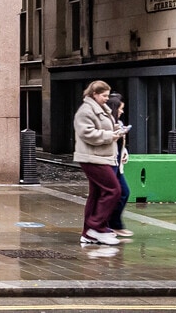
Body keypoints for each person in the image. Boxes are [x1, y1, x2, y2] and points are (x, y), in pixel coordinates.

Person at [72, 80, 129, 246]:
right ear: (94, 94)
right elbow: (86, 133)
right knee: (113, 190)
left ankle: (88, 233)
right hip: (92, 157)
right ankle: (97, 228)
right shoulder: (85, 111)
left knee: (97, 193)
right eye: (104, 95)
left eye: (107, 95)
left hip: (100, 156)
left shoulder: (100, 108)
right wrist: (110, 136)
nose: (106, 98)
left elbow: (102, 129)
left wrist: (116, 131)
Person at [104, 92, 134, 239]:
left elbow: (120, 144)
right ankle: (106, 226)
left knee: (123, 192)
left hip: (116, 161)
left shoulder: (119, 123)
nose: (122, 111)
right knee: (113, 193)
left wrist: (124, 152)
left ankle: (114, 224)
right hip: (107, 162)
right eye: (120, 108)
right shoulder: (104, 124)